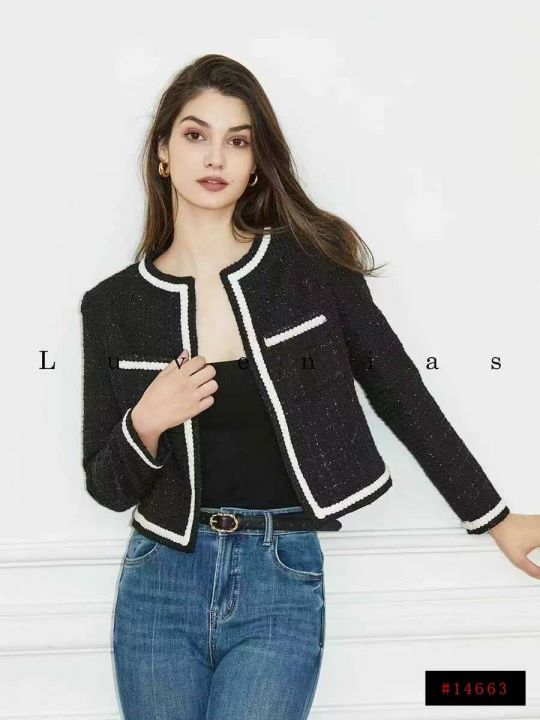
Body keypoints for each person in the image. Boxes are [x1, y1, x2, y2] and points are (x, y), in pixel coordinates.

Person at [80, 54, 540, 720]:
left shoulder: (309, 269)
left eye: (238, 140)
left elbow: (402, 394)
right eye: (195, 134)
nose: (216, 156)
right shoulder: (112, 307)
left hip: (281, 575)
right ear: (163, 152)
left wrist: (494, 518)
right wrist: (147, 421)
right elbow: (106, 485)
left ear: (257, 161)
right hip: (160, 581)